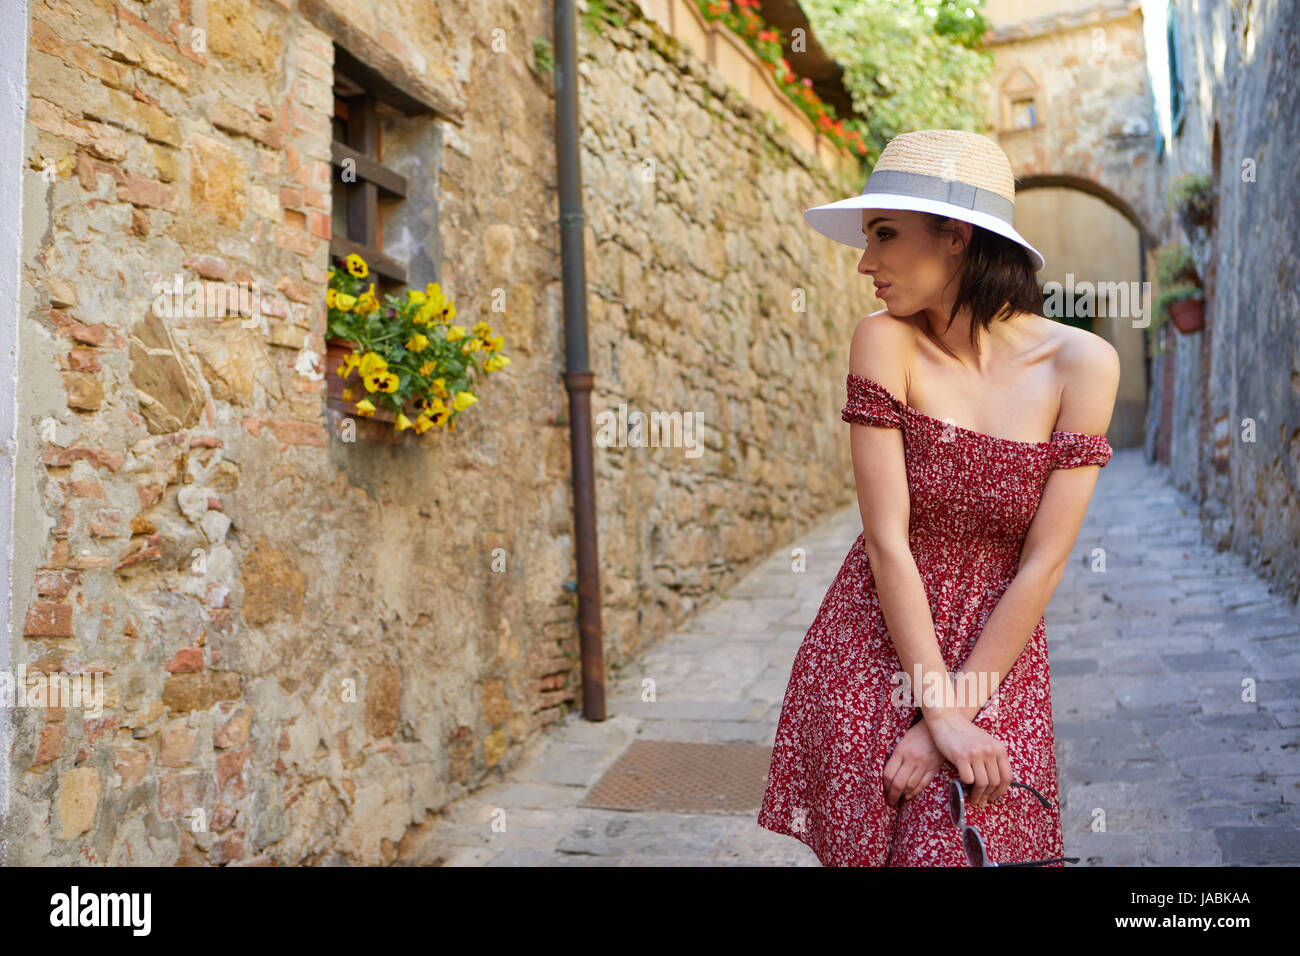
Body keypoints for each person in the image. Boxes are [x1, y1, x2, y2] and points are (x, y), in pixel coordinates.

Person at [756, 129, 1120, 866]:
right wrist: (937, 707)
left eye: (885, 234)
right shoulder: (882, 342)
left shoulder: (1083, 364)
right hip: (879, 643)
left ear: (956, 237)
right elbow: (887, 539)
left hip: (1001, 650)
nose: (866, 263)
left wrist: (948, 719)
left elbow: (1042, 564)